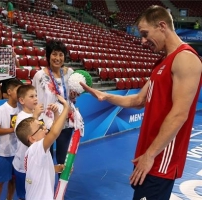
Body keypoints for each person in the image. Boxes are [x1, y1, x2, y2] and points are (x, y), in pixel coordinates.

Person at [80, 5, 202, 200]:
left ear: (162, 26)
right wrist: (105, 96)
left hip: (161, 159)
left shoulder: (185, 59)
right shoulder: (162, 62)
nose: (143, 41)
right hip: (149, 155)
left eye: (145, 34)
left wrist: (150, 155)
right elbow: (138, 100)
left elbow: (179, 114)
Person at [32, 40, 78, 167]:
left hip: (65, 122)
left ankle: (61, 187)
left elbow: (73, 97)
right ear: (48, 56)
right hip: (46, 124)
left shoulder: (70, 73)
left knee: (63, 160)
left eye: (61, 54)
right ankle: (47, 186)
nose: (57, 58)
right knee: (46, 158)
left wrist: (74, 96)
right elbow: (34, 99)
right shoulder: (39, 75)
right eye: (54, 54)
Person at [15, 94, 69, 200]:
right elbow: (54, 133)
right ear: (32, 138)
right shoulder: (36, 149)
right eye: (40, 127)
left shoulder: (35, 151)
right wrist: (66, 107)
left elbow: (54, 129)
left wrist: (56, 168)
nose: (44, 127)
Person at [0, 79, 23, 200]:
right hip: (4, 153)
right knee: (0, 181)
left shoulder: (22, 108)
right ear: (9, 92)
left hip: (18, 152)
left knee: (14, 180)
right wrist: (13, 130)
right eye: (17, 91)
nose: (20, 93)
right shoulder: (2, 109)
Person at [12, 85, 45, 200]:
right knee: (24, 195)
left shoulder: (36, 115)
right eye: (31, 96)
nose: (36, 98)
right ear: (22, 100)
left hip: (35, 163)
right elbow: (28, 139)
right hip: (23, 165)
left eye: (36, 95)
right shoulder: (21, 118)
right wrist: (35, 116)